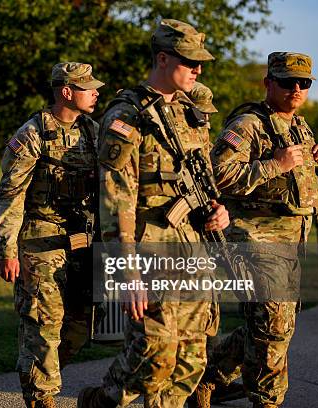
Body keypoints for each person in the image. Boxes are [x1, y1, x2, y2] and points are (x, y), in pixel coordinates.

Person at [78, 19, 229, 408]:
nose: (198, 70)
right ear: (162, 58)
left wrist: (218, 211)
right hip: (150, 253)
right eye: (189, 61)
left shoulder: (192, 113)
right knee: (156, 357)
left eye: (200, 63)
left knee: (191, 362)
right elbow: (115, 201)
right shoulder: (126, 116)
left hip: (193, 249)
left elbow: (204, 179)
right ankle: (100, 401)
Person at [192, 52, 318, 408]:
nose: (297, 89)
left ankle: (206, 375)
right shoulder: (249, 124)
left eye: (303, 83)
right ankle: (267, 401)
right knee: (273, 327)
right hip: (256, 240)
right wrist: (274, 164)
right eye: (287, 82)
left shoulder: (299, 125)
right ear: (268, 83)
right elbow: (218, 174)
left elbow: (298, 184)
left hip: (291, 242)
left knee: (271, 325)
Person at [0, 62, 104, 408]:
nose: (96, 92)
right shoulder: (32, 134)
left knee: (81, 325)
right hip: (41, 241)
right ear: (67, 92)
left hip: (82, 242)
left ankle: (38, 370)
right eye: (88, 87)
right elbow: (10, 194)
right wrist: (7, 249)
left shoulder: (92, 130)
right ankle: (42, 397)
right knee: (44, 325)